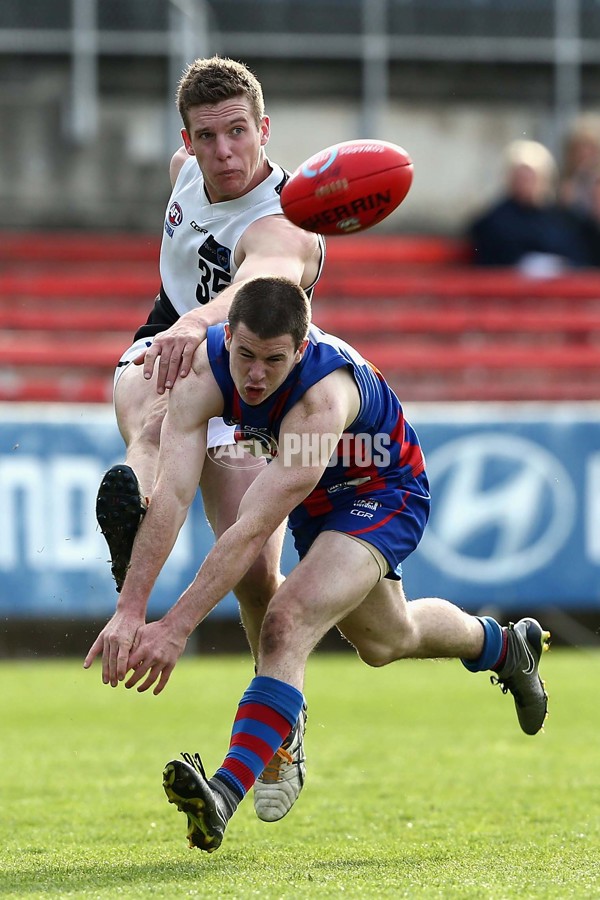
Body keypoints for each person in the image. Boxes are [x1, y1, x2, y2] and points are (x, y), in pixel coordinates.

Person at [84, 276, 551, 854]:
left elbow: (251, 529)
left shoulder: (320, 400)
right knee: (386, 638)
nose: (254, 376)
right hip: (315, 487)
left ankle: (224, 793)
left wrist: (175, 628)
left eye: (273, 361)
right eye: (245, 355)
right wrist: (130, 611)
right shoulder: (203, 373)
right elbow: (173, 495)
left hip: (381, 487)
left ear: (300, 351)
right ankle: (505, 648)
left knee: (288, 620)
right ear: (227, 336)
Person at [95, 56, 325, 823]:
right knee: (144, 393)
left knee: (260, 574)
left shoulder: (282, 222)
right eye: (207, 137)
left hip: (253, 376)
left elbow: (261, 276)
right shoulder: (186, 170)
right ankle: (135, 509)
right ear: (186, 142)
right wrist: (180, 330)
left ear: (263, 129)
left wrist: (197, 324)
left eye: (238, 133)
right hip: (173, 346)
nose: (225, 152)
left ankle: (281, 726)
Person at [468, 138, 599, 273]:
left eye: (530, 177)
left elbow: (582, 259)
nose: (525, 183)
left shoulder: (564, 219)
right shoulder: (495, 221)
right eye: (520, 177)